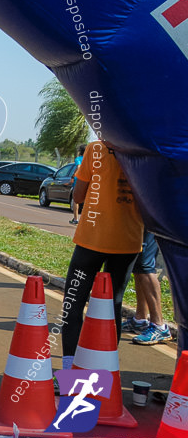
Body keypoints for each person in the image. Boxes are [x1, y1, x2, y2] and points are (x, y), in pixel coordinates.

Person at [60, 140, 144, 370]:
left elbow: (78, 196)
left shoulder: (96, 148)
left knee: (74, 302)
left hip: (91, 240)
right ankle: (105, 370)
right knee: (113, 304)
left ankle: (69, 368)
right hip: (128, 241)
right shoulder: (144, 149)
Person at [124, 233, 172, 345]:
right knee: (139, 264)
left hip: (150, 221)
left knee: (146, 265)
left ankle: (159, 325)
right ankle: (140, 320)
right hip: (142, 221)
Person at [70, 144, 86, 225]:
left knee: (76, 200)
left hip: (78, 180)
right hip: (88, 180)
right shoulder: (90, 159)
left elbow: (78, 167)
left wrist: (73, 176)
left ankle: (76, 219)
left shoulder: (78, 159)